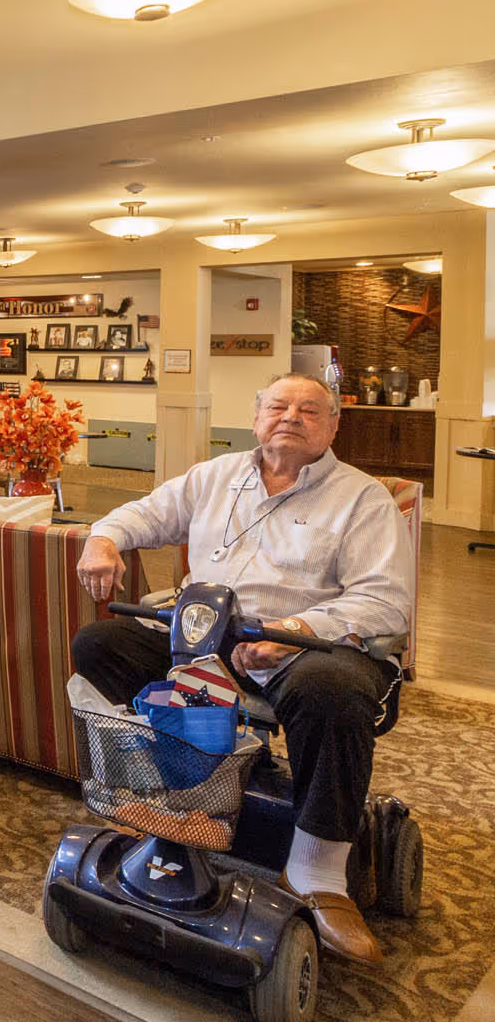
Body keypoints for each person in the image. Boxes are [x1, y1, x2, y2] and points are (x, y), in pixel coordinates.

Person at [71, 373, 412, 966]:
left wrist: (299, 633)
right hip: (208, 640)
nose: (291, 417)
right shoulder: (215, 477)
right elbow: (142, 516)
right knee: (99, 644)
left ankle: (318, 873)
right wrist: (103, 541)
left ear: (333, 426)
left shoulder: (362, 498)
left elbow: (385, 600)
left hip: (310, 650)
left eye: (310, 410)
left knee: (331, 692)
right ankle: (184, 787)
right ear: (256, 419)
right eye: (278, 405)